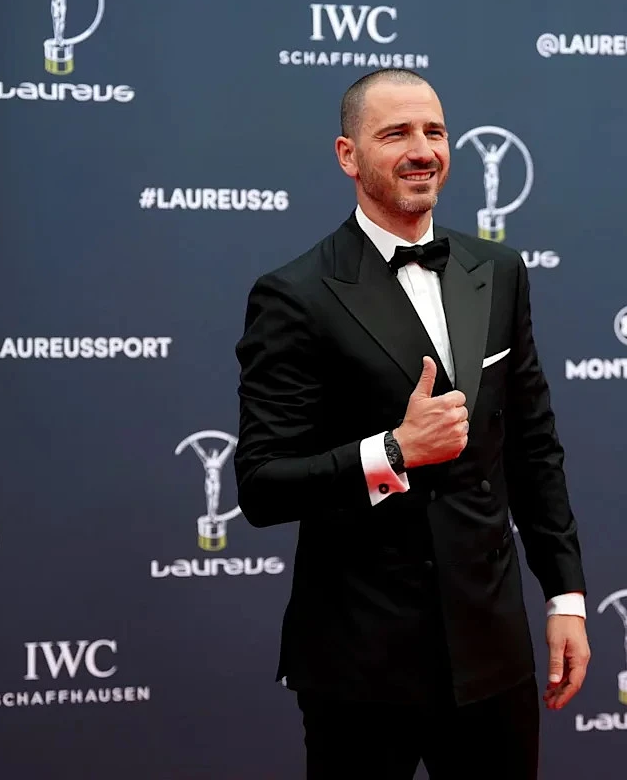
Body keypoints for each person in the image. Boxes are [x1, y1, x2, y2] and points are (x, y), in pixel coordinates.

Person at [232, 67, 590, 778]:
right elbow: (262, 486)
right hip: (360, 663)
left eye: (435, 132)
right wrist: (394, 451)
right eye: (395, 134)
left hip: (492, 650)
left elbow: (533, 448)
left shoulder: (498, 270)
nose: (422, 150)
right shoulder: (295, 295)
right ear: (348, 155)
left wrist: (566, 597)